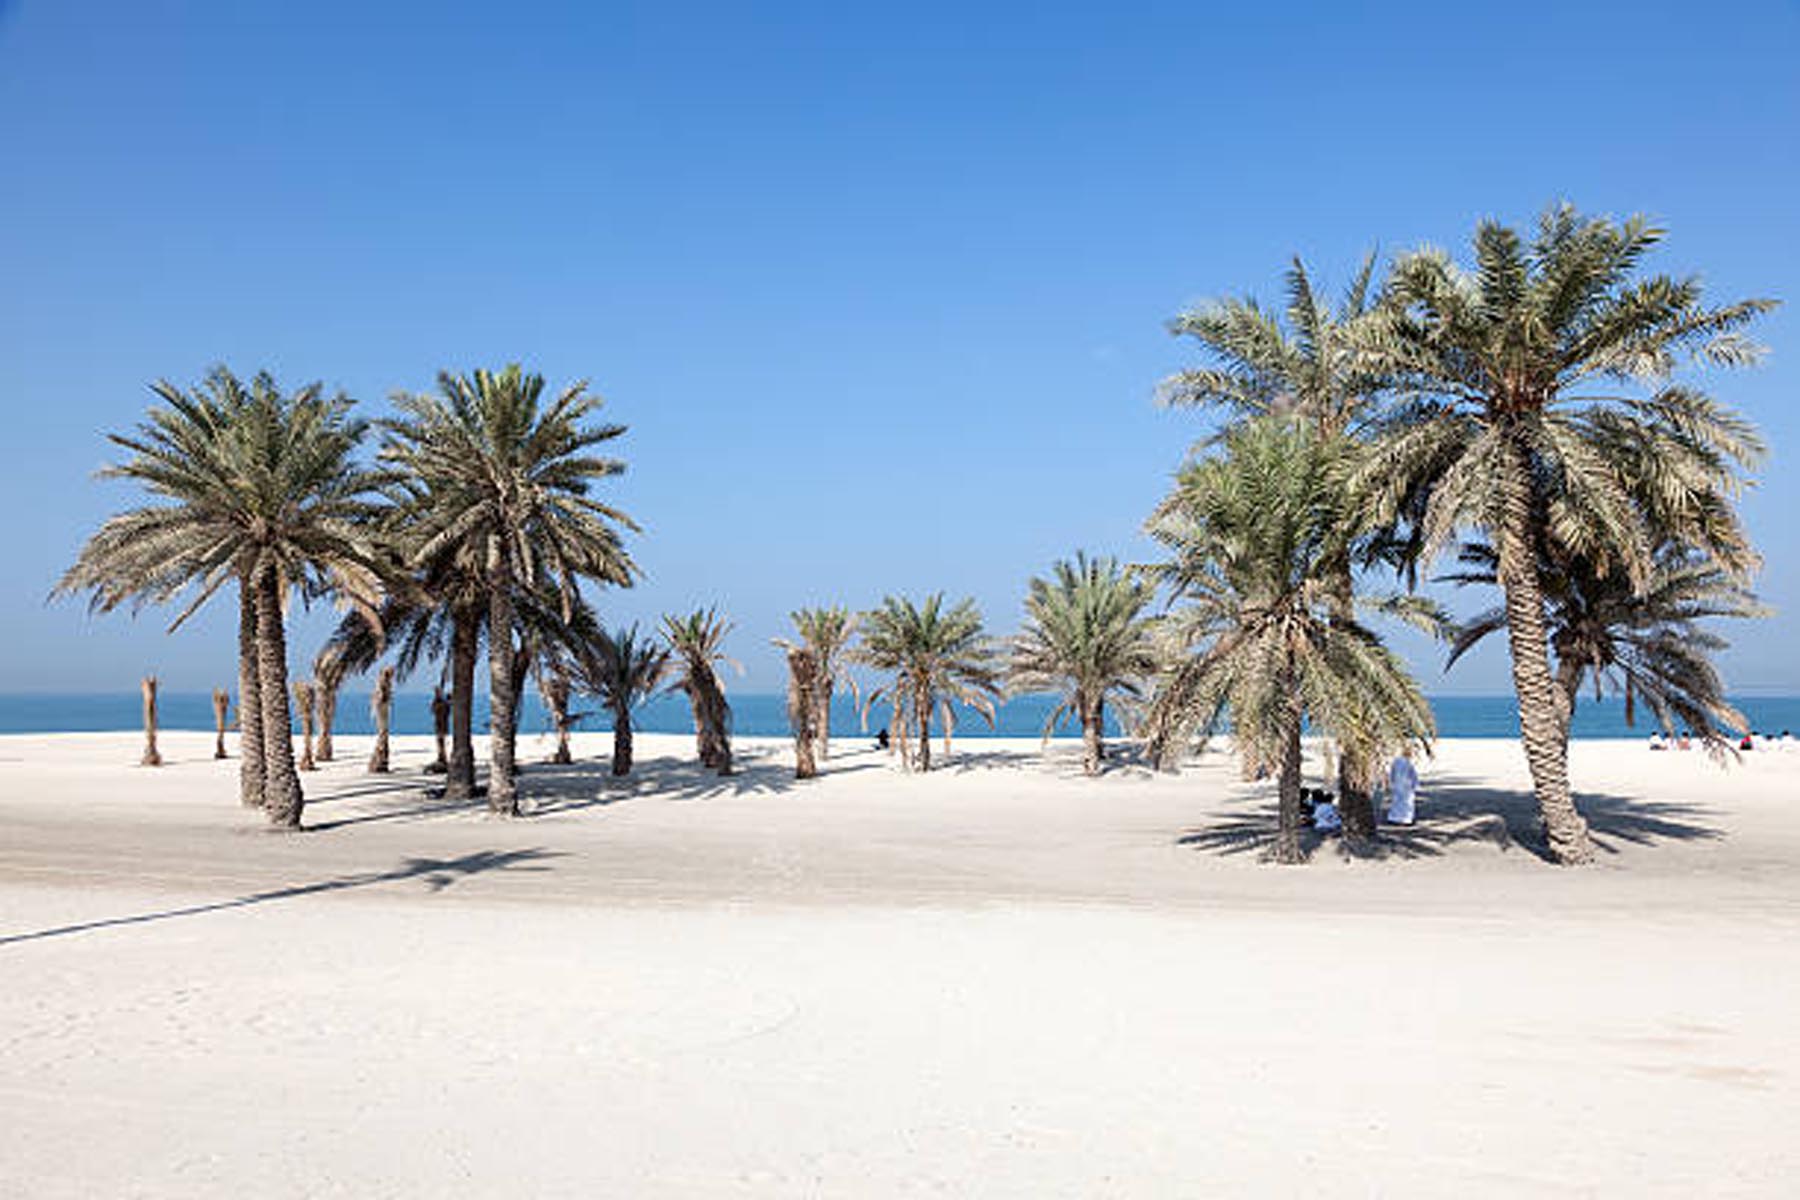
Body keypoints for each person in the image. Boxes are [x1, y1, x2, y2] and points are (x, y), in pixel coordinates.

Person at [1385, 749, 1418, 826]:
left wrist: (1391, 783)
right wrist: (1415, 785)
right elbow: (1413, 775)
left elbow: (1392, 773)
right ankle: (1406, 819)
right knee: (1407, 803)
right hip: (1407, 786)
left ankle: (1394, 818)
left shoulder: (1396, 761)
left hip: (1397, 785)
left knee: (1396, 802)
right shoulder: (1409, 763)